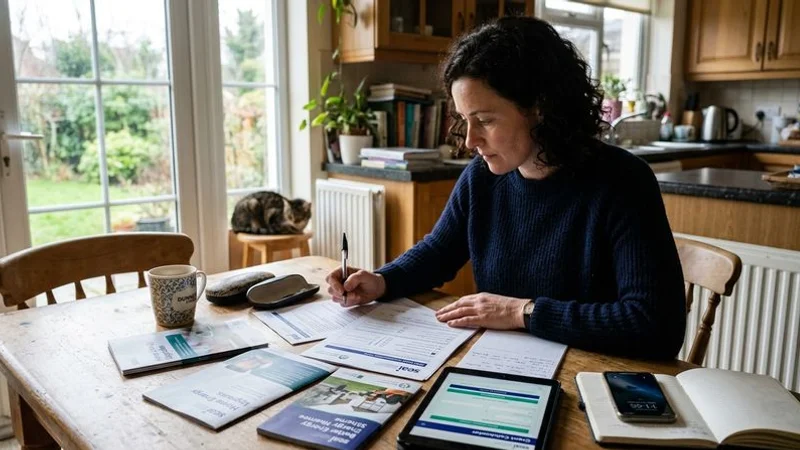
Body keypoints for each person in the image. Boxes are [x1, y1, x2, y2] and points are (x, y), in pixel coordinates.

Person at [326, 16, 686, 359]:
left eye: (484, 120)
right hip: (504, 363)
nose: (469, 140)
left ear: (540, 108)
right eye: (465, 121)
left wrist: (521, 312)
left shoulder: (623, 182)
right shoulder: (482, 177)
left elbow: (656, 327)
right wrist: (381, 281)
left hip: (596, 378)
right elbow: (438, 253)